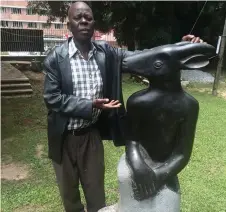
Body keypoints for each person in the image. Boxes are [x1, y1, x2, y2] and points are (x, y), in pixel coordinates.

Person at [43, 2, 205, 212]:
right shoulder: (56, 58)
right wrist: (90, 104)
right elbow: (52, 97)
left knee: (95, 194)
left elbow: (147, 57)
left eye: (88, 17)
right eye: (78, 17)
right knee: (70, 195)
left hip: (91, 135)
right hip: (63, 136)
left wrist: (179, 48)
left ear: (94, 23)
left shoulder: (106, 54)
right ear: (69, 24)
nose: (83, 21)